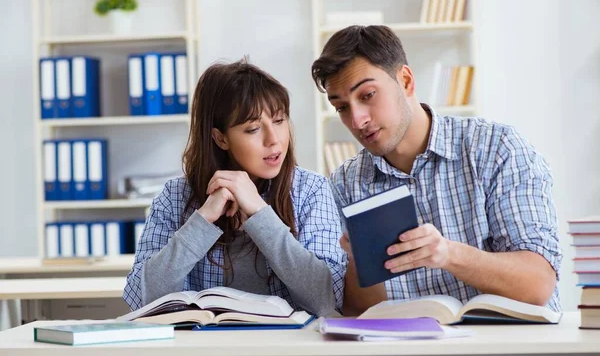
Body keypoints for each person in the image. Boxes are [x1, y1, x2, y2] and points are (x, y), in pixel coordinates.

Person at [311, 25, 562, 316]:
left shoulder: (497, 149)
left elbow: (538, 284)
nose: (357, 120)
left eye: (367, 95)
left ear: (405, 81)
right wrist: (360, 263)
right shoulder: (345, 184)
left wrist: (448, 254)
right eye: (341, 107)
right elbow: (359, 314)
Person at [124, 58, 346, 317]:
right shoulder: (174, 197)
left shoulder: (311, 190)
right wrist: (203, 219)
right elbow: (142, 299)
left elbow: (328, 298)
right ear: (220, 138)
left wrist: (260, 214)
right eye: (253, 129)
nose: (274, 140)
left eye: (279, 121)